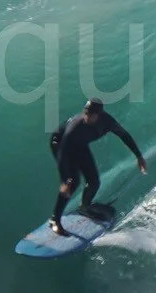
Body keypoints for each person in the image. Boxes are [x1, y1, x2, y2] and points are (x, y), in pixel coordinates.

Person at [50, 99, 148, 235]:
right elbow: (63, 154)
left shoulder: (107, 122)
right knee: (72, 182)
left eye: (90, 114)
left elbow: (124, 135)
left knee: (94, 182)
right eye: (85, 113)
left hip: (80, 144)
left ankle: (84, 207)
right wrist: (64, 179)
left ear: (98, 115)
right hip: (61, 143)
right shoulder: (75, 127)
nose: (86, 116)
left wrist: (139, 156)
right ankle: (55, 220)